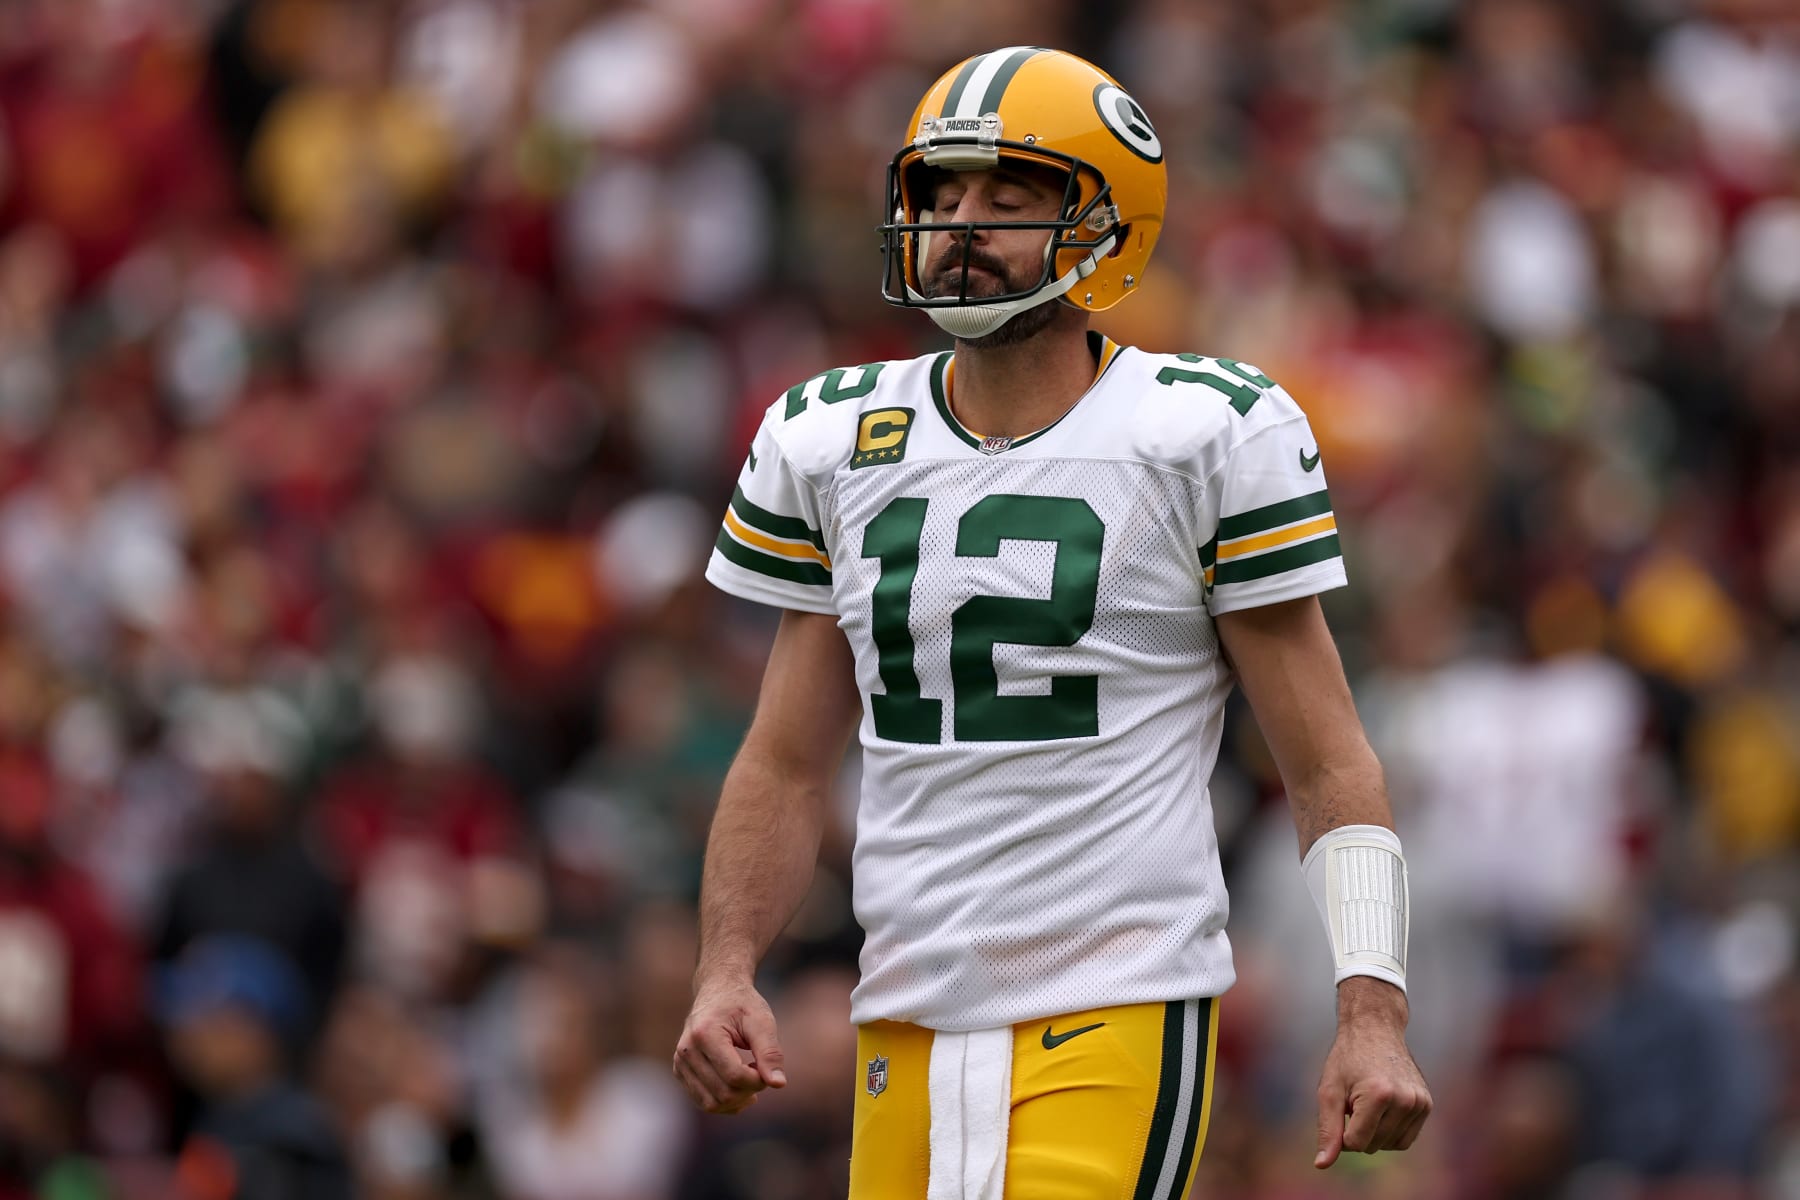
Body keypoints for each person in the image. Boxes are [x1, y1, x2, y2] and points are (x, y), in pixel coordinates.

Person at [675, 46, 1431, 1199]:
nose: (958, 225)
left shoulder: (1201, 432)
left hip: (1115, 1003)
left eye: (1006, 198)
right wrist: (725, 968)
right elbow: (783, 761)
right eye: (938, 196)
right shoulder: (829, 437)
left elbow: (1326, 759)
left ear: (1103, 228)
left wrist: (1370, 1007)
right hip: (906, 1014)